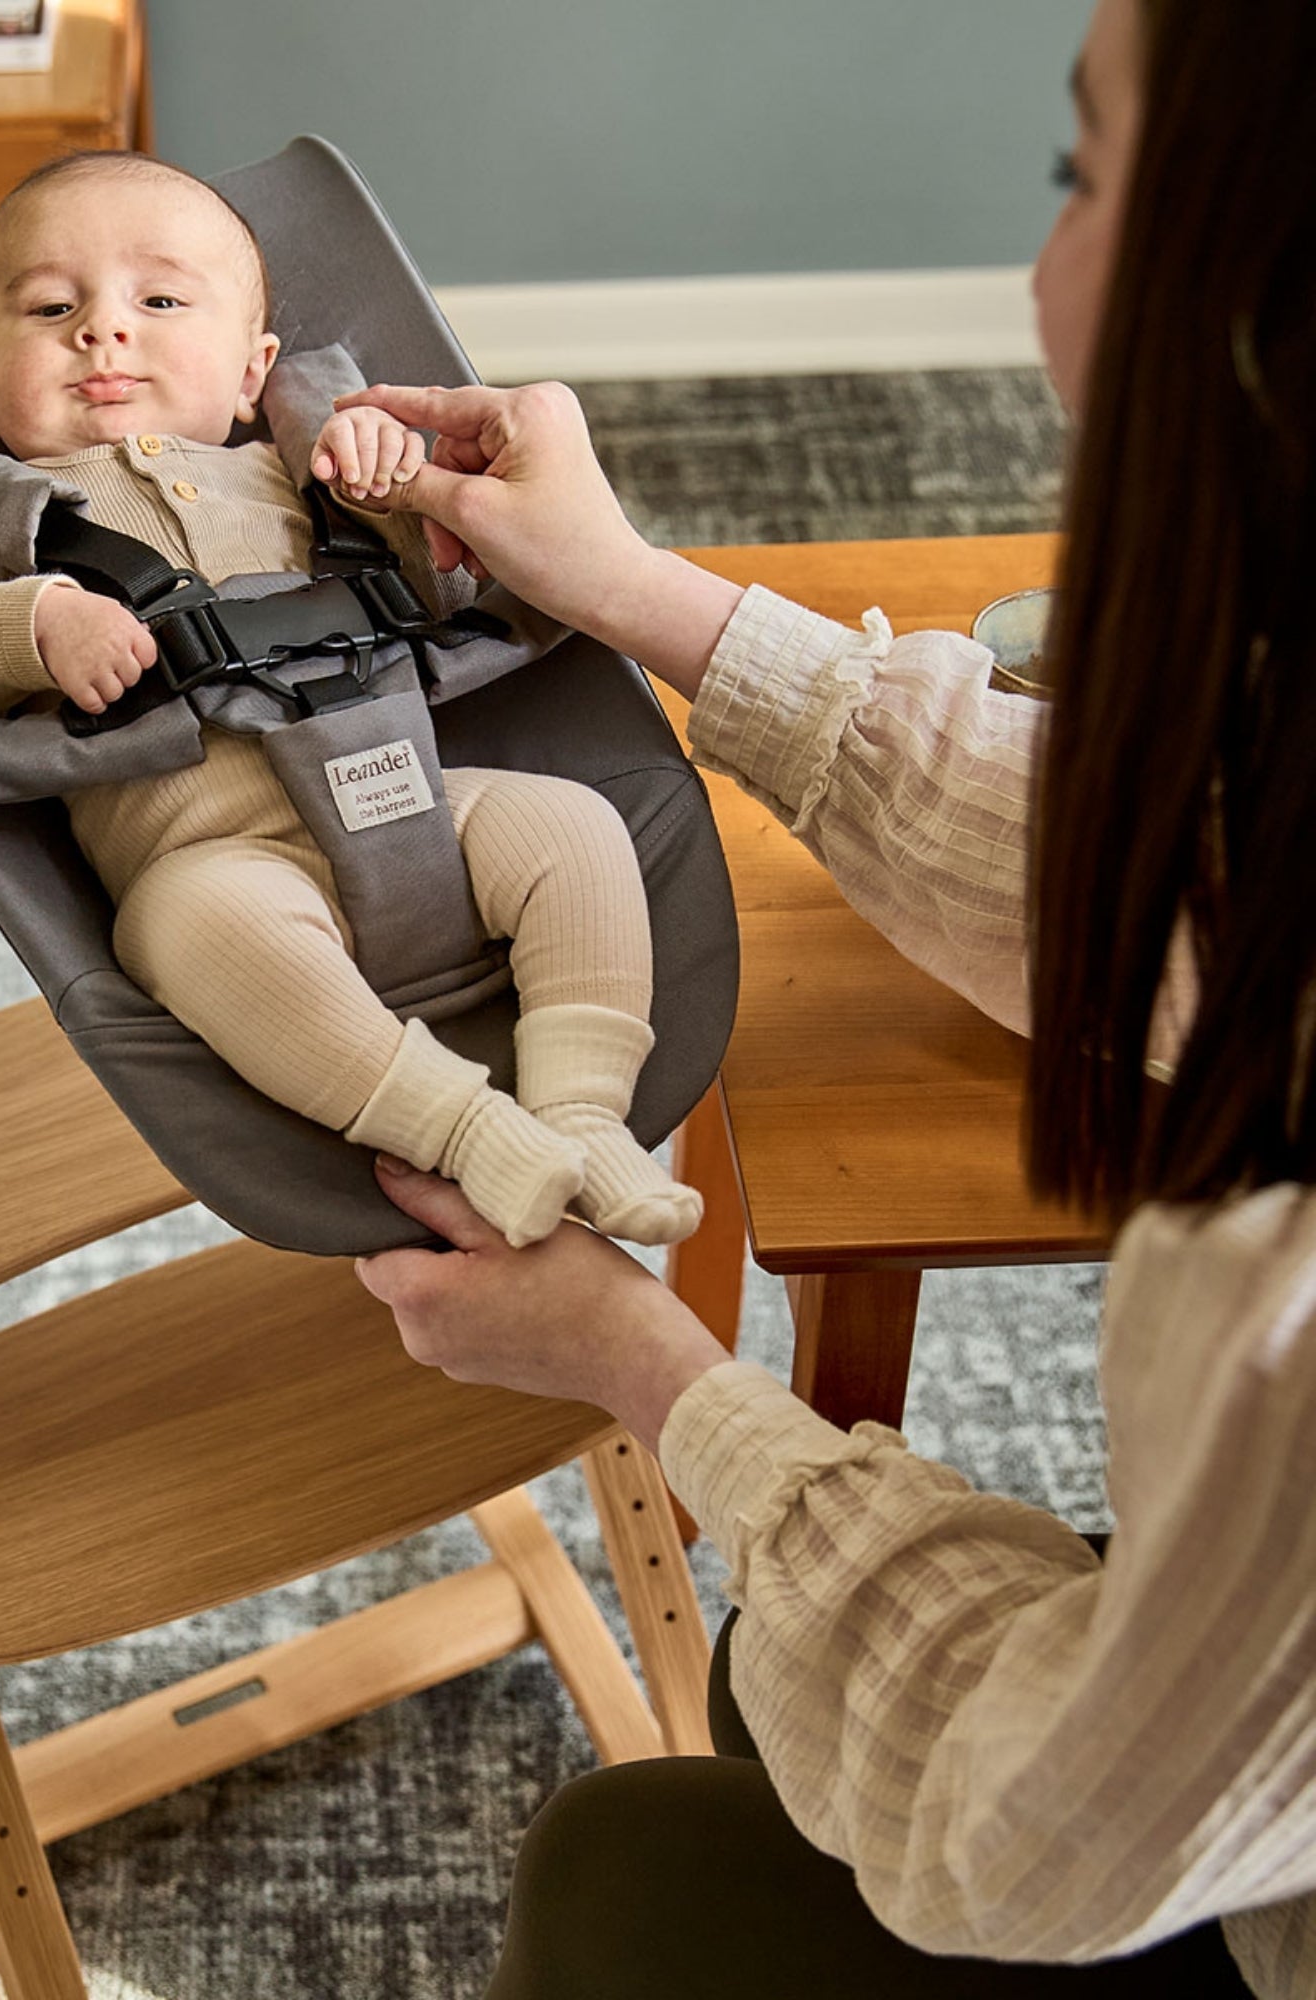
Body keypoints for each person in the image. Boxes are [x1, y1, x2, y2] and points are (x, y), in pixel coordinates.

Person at [351, 0, 1316, 1992]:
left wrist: (654, 1372)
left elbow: (1012, 1835)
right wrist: (646, 593)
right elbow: (1211, 871)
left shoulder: (1280, 1349)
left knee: (641, 1861)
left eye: (1077, 175)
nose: (1037, 262)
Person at [0, 151, 703, 1249]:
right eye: (50, 307)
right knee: (182, 928)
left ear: (249, 372)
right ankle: (468, 1133)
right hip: (215, 855)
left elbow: (442, 583)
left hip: (415, 801)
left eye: (160, 298)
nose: (102, 330)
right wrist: (35, 624)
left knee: (573, 824)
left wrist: (391, 482)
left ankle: (581, 1114)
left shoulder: (288, 472)